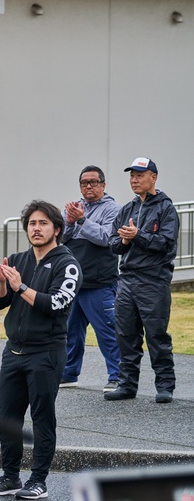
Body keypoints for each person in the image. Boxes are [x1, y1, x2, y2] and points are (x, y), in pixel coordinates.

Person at [0, 200, 80, 501]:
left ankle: (38, 480)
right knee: (8, 417)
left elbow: (56, 304)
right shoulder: (19, 260)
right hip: (14, 351)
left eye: (43, 223)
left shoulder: (68, 263)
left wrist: (21, 286)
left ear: (57, 229)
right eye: (32, 224)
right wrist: (2, 284)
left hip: (46, 352)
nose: (36, 229)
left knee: (42, 418)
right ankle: (10, 476)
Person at [105, 158, 179, 404]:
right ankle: (127, 385)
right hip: (126, 280)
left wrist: (138, 235)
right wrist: (125, 241)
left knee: (157, 335)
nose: (134, 180)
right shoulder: (127, 209)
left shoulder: (166, 208)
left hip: (153, 281)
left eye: (140, 175)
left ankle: (165, 386)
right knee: (126, 335)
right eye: (132, 176)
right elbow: (114, 245)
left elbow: (166, 245)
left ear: (153, 178)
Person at [61, 166, 122, 392]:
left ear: (103, 185)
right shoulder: (73, 208)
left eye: (94, 182)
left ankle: (117, 376)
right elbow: (61, 238)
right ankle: (68, 374)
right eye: (84, 182)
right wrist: (68, 220)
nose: (88, 186)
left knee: (107, 331)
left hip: (99, 282)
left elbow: (107, 238)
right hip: (74, 281)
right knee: (70, 332)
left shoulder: (114, 209)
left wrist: (81, 221)